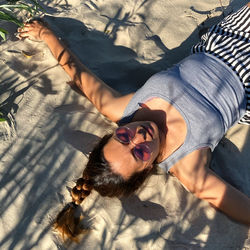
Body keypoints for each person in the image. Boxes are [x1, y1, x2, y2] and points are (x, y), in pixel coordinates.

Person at [17, 2, 250, 242]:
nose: (139, 135)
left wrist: (44, 33)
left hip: (224, 41)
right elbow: (240, 208)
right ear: (147, 168)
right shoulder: (187, 165)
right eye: (139, 152)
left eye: (124, 137)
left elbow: (77, 71)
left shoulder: (121, 109)